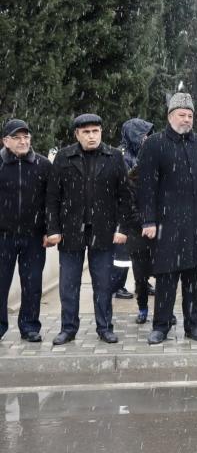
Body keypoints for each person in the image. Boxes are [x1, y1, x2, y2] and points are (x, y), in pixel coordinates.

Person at [138, 94, 197, 344]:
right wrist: (148, 221)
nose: (186, 119)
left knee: (196, 279)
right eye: (181, 115)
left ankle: (194, 325)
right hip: (168, 225)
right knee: (166, 278)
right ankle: (161, 326)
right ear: (170, 116)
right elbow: (146, 187)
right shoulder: (154, 144)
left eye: (190, 115)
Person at [46, 114, 130, 345]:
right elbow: (53, 197)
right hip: (70, 230)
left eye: (95, 131)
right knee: (68, 284)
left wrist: (122, 228)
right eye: (86, 132)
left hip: (104, 230)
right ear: (77, 134)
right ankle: (68, 328)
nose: (91, 136)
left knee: (103, 284)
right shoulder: (64, 157)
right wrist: (53, 228)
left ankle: (105, 327)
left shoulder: (114, 157)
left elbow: (124, 196)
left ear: (101, 132)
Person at [0, 119, 50, 343]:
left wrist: (49, 229)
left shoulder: (43, 165)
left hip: (34, 236)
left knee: (32, 284)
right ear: (6, 141)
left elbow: (51, 200)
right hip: (3, 236)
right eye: (17, 137)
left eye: (26, 137)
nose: (23, 141)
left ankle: (29, 327)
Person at [110, 118, 154, 302]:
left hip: (139, 210)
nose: (147, 139)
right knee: (121, 253)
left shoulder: (141, 154)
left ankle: (143, 281)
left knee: (140, 252)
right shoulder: (121, 155)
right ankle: (116, 285)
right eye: (144, 135)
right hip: (123, 210)